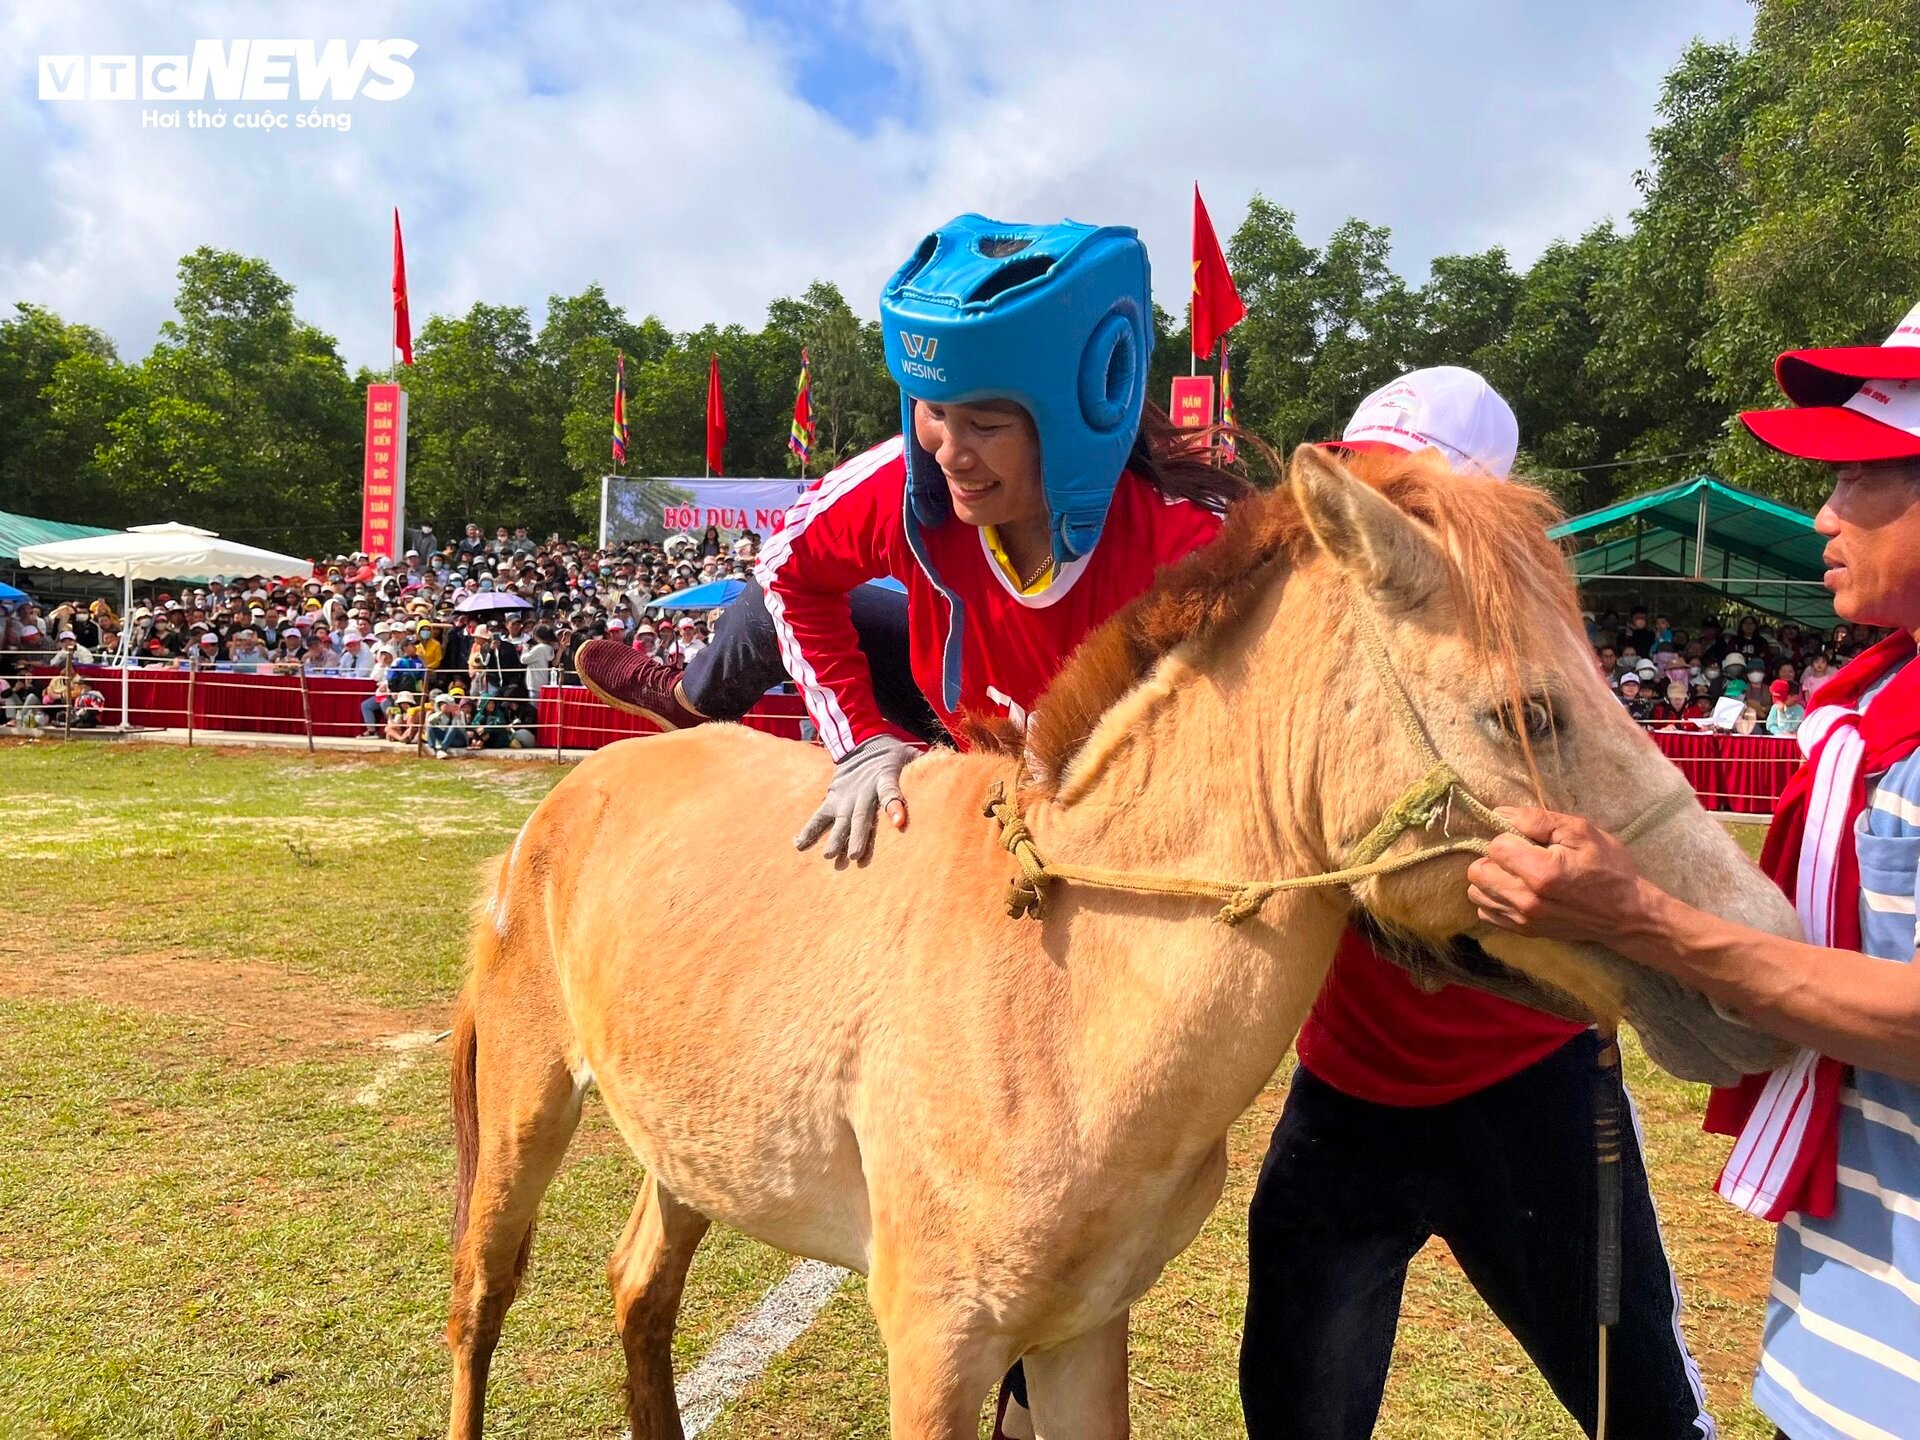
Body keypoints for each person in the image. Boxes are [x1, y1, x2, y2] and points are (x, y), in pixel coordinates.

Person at [579, 214, 1245, 1430]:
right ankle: (690, 705)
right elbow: (788, 571)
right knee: (768, 607)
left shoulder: (1190, 558)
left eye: (987, 419)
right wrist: (855, 741)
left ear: (1086, 403)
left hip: (1080, 798)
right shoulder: (909, 485)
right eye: (932, 411)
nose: (950, 450)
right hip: (951, 740)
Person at [1467, 299, 1920, 1440]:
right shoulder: (1865, 716)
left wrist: (1642, 920)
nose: (1821, 512)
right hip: (1849, 1321)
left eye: (1863, 476)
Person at [1238, 371, 1716, 1440]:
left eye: (1426, 500)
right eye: (1373, 493)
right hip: (1345, 1092)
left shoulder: (1529, 650)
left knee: (1641, 1409)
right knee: (1290, 1412)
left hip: (1529, 1087)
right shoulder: (1305, 653)